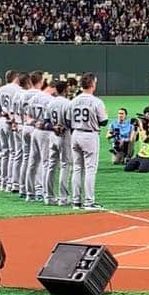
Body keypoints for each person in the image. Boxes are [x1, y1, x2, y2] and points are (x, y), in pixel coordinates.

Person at [69, 73, 107, 210]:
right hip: (89, 136)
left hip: (75, 134)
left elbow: (68, 120)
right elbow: (104, 121)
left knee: (77, 168)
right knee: (90, 170)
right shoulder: (96, 101)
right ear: (92, 84)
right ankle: (89, 201)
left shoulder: (73, 100)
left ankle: (76, 201)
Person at [42, 79, 75, 206]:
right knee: (65, 165)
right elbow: (69, 123)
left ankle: (48, 197)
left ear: (56, 89)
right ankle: (63, 198)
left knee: (51, 165)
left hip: (52, 135)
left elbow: (46, 122)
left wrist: (53, 127)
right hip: (64, 135)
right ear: (66, 90)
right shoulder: (68, 103)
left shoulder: (50, 103)